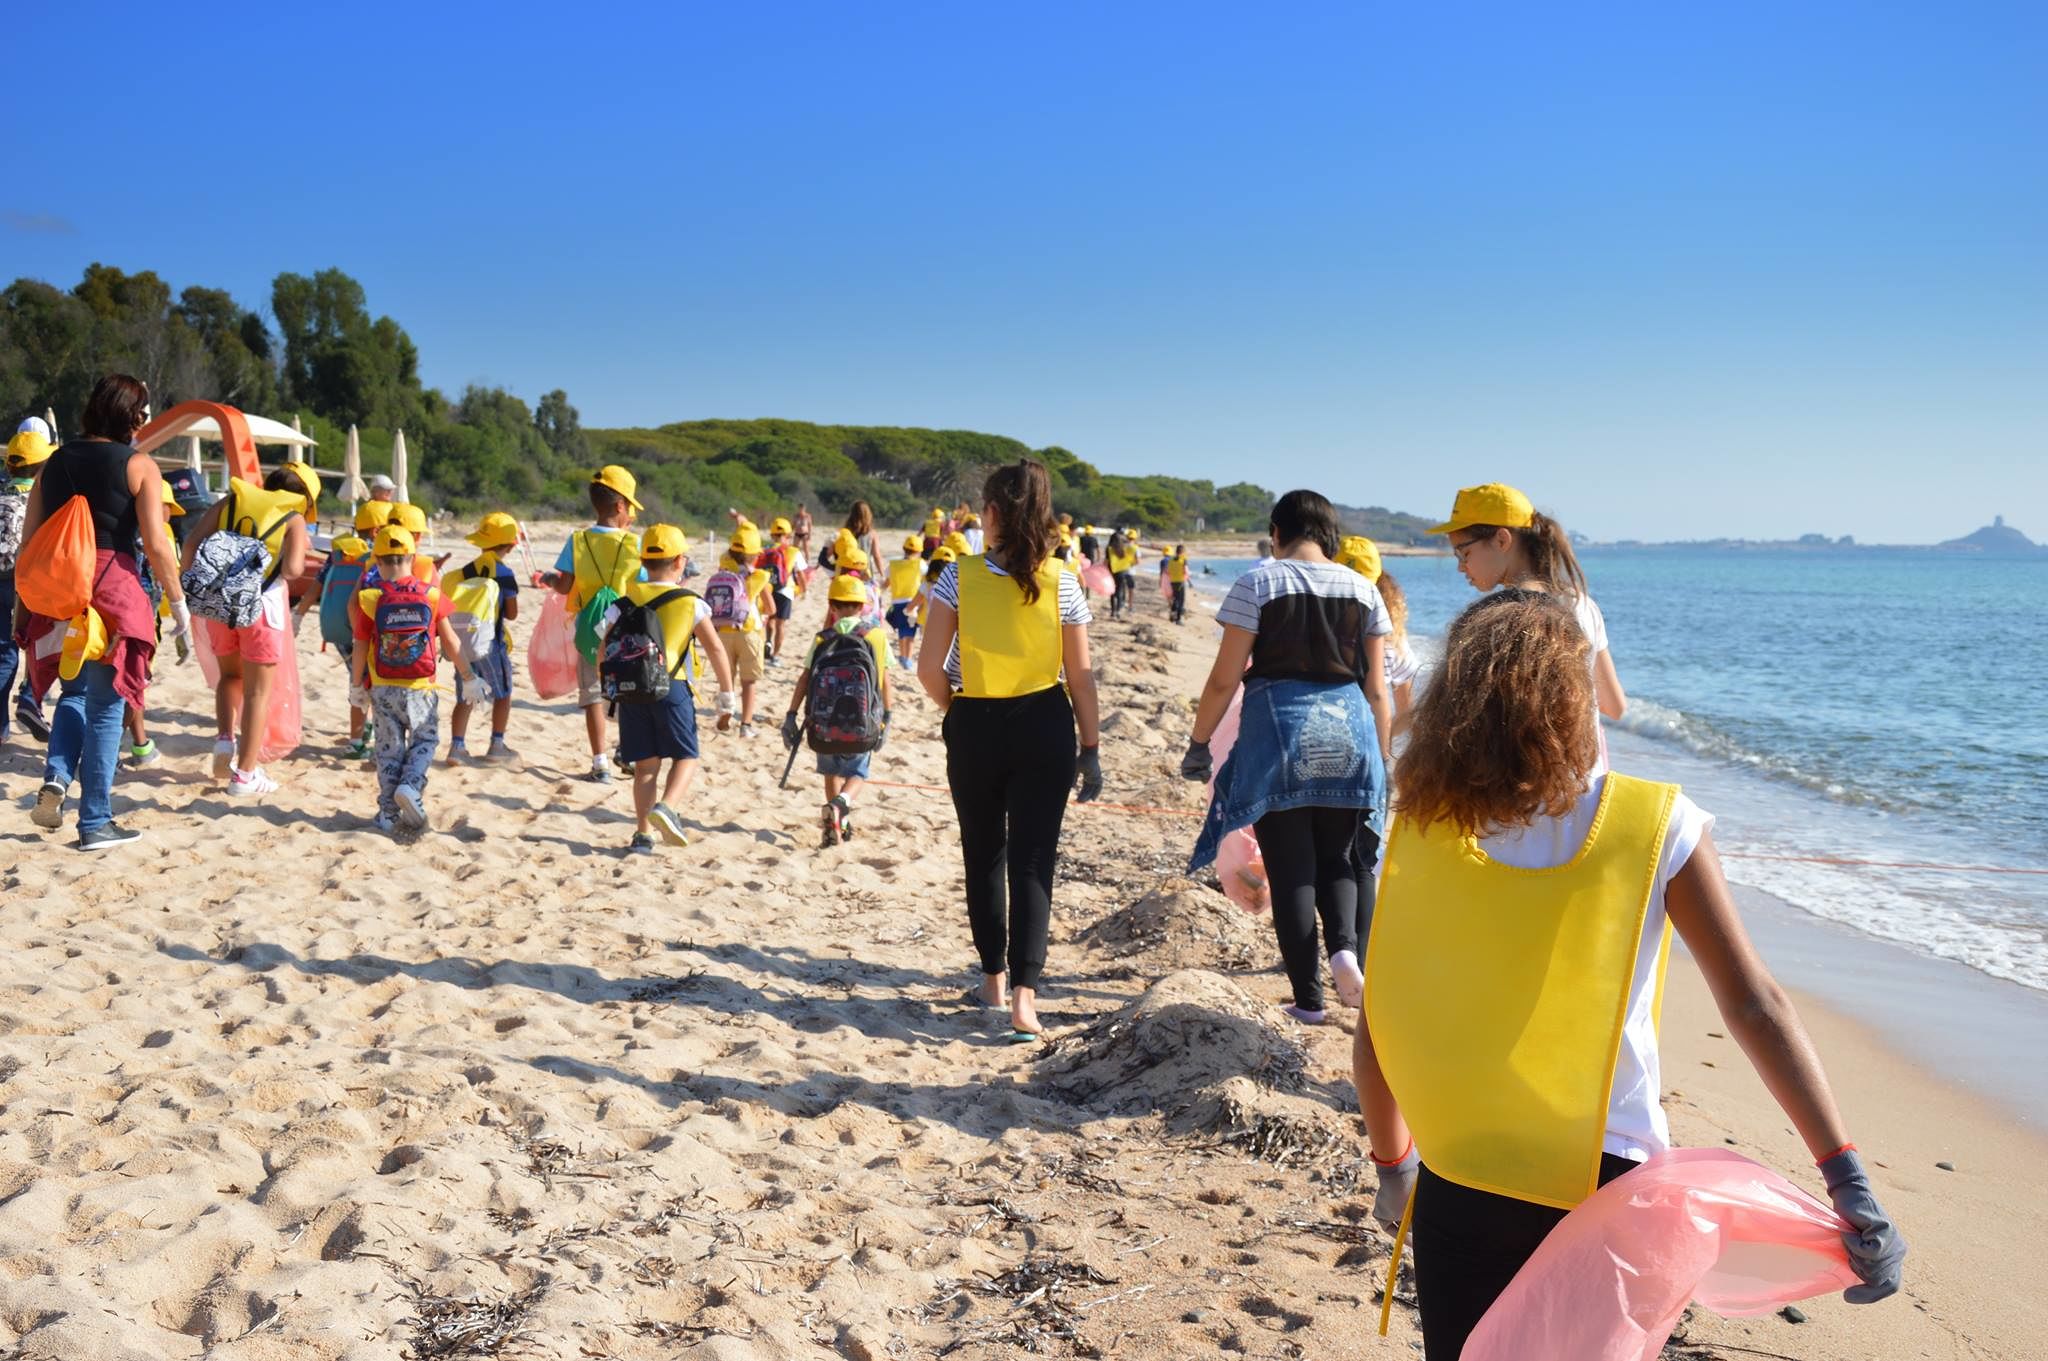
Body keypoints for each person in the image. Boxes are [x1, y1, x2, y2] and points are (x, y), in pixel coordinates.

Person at [1351, 590, 1905, 1358]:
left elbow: (1381, 1019)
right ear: (1571, 697)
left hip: (1463, 1168)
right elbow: (1753, 1003)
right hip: (1610, 1181)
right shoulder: (1656, 823)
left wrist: (1393, 1164)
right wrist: (1845, 1176)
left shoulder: (1420, 826)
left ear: (1457, 702)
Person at [1181, 490, 1393, 1023]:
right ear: (1329, 535)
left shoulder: (1258, 583)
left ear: (1277, 532)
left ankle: (1309, 1001)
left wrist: (1199, 741)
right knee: (1339, 858)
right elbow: (1377, 689)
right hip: (1350, 730)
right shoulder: (1363, 589)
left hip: (1280, 732)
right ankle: (1345, 953)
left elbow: (1224, 678)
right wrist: (1383, 757)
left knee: (1290, 865)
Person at [917, 459, 1103, 1040]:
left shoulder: (957, 575)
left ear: (992, 513)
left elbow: (928, 670)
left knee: (984, 855)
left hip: (975, 721)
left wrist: (959, 711)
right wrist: (1091, 746)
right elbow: (1081, 676)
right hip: (1045, 723)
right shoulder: (1062, 579)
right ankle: (1026, 999)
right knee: (1033, 860)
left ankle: (992, 982)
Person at [20, 376, 191, 849]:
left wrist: (23, 610)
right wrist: (178, 606)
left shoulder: (53, 463)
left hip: (58, 589)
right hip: (111, 588)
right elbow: (157, 544)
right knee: (106, 707)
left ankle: (57, 777)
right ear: (132, 416)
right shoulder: (140, 466)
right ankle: (95, 821)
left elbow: (28, 542)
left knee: (72, 694)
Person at [1432, 482, 1627, 771]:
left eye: (1464, 553)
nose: (1461, 567)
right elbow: (1615, 706)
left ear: (1502, 540)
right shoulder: (1583, 605)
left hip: (1526, 780)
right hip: (1584, 775)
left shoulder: (1499, 616)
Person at [180, 458, 320, 797]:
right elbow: (292, 570)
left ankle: (224, 739)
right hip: (262, 609)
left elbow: (191, 545)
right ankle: (244, 774)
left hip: (219, 605)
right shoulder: (293, 517)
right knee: (258, 693)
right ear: (304, 498)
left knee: (230, 677)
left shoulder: (232, 502)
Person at [604, 524, 736, 855]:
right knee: (686, 756)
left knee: (645, 767)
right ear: (679, 562)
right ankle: (668, 806)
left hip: (632, 689)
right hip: (672, 687)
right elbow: (715, 649)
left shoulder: (623, 601)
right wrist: (726, 694)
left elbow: (602, 648)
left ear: (643, 562)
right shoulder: (690, 602)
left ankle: (642, 835)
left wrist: (610, 691)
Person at [351, 524, 481, 832]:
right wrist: (468, 676)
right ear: (412, 557)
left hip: (383, 687)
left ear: (377, 560)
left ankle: (387, 814)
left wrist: (356, 685)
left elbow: (360, 645)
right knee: (424, 740)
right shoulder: (431, 595)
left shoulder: (371, 598)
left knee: (388, 750)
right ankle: (410, 785)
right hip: (421, 688)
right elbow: (451, 641)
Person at [542, 466, 644, 782]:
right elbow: (645, 586)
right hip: (625, 629)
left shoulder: (578, 540)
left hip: (589, 629)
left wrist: (550, 579)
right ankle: (627, 750)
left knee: (592, 695)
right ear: (620, 506)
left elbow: (564, 586)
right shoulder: (634, 544)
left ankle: (600, 763)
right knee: (629, 692)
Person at [783, 573, 894, 846]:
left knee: (830, 771)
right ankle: (841, 805)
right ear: (863, 606)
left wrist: (791, 715)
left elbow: (805, 678)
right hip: (863, 721)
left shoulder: (823, 639)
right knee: (858, 773)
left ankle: (837, 825)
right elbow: (884, 681)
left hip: (823, 723)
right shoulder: (876, 636)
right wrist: (887, 717)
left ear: (831, 605)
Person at [299, 501, 393, 758]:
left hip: (341, 630)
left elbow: (316, 586)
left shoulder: (339, 553)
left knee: (357, 681)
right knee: (371, 683)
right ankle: (360, 741)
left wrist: (298, 615)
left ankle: (357, 738)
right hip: (368, 630)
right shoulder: (378, 556)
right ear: (376, 531)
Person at [446, 512, 522, 765]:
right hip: (491, 644)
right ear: (511, 545)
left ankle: (457, 747)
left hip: (463, 644)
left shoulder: (467, 571)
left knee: (465, 696)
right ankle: (496, 745)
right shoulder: (504, 573)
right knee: (503, 693)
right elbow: (511, 614)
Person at [2, 417, 59, 743]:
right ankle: (29, 697)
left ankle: (1, 727)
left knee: (4, 652)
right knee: (37, 643)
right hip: (26, 583)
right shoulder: (42, 500)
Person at [707, 523, 774, 737]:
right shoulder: (758, 576)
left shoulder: (724, 570)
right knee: (749, 682)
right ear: (755, 555)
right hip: (749, 631)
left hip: (723, 631)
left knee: (727, 679)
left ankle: (725, 713)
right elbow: (771, 608)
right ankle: (745, 725)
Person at [763, 516, 800, 663]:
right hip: (785, 591)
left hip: (768, 589)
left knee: (770, 619)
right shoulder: (792, 551)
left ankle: (768, 641)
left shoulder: (766, 550)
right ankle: (775, 655)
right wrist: (803, 589)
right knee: (781, 624)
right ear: (788, 535)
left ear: (772, 535)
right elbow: (801, 574)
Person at [885, 534, 925, 666]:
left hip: (897, 603)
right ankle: (908, 659)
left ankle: (902, 656)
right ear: (919, 551)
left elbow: (886, 583)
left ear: (904, 549)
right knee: (910, 633)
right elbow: (927, 579)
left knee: (902, 630)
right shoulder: (920, 564)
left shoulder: (893, 565)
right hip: (913, 603)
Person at [1164, 543, 1192, 623]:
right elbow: (1186, 572)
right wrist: (1189, 582)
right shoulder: (1183, 560)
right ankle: (1178, 619)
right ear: (1183, 552)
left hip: (1173, 582)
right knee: (1181, 601)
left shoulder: (1171, 560)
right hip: (1180, 582)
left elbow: (1167, 571)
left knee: (1175, 599)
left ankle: (1172, 616)